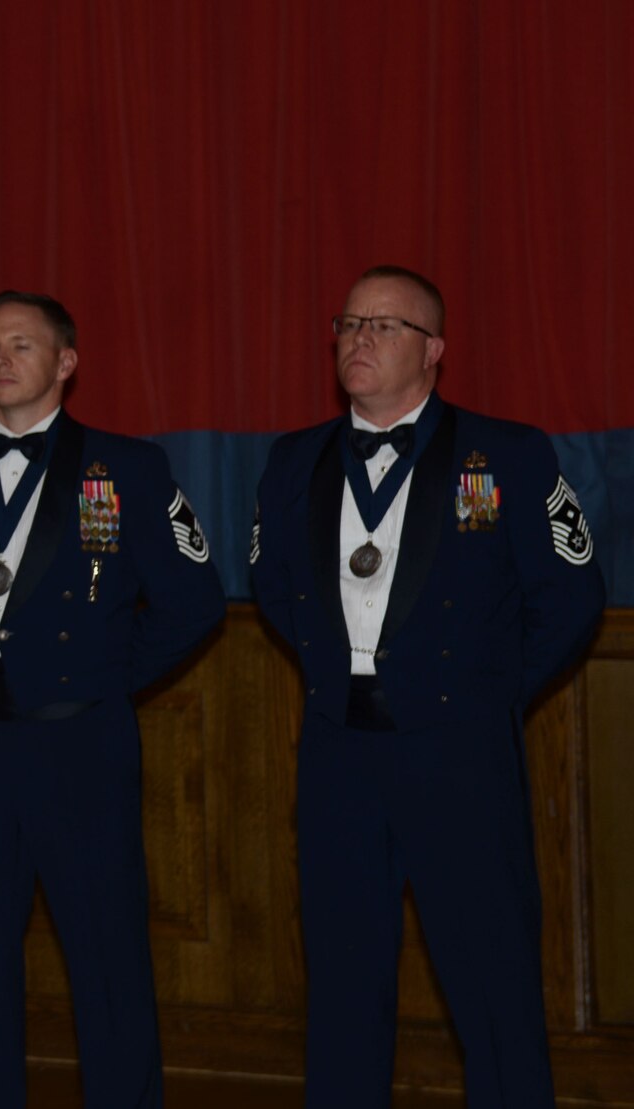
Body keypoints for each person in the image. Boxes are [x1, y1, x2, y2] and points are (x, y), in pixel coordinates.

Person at [251, 266, 603, 1108]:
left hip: (460, 755)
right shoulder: (294, 458)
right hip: (340, 753)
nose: (359, 338)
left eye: (385, 325)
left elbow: (570, 593)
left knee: (493, 986)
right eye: (348, 322)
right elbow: (272, 586)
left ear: (435, 351)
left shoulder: (508, 453)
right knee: (341, 988)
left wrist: (481, 693)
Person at [0, 291, 224, 1108]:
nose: (1, 361)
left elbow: (194, 601)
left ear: (66, 363)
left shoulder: (129, 468)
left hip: (80, 742)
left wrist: (101, 672)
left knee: (107, 958)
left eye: (22, 346)